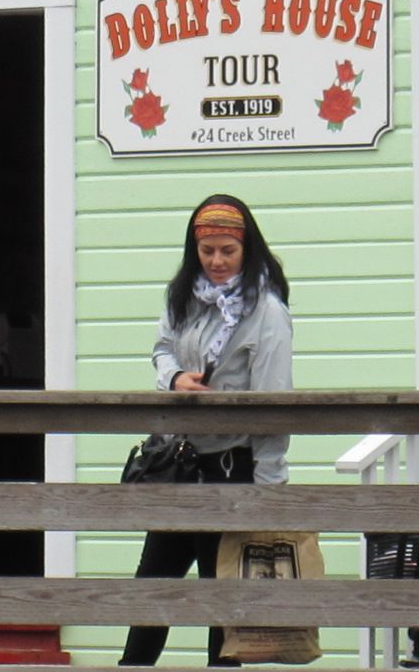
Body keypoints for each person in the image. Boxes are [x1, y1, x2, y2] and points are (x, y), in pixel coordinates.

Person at [120, 195, 293, 667]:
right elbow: (161, 348)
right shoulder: (183, 296)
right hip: (179, 465)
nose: (216, 262)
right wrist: (175, 377)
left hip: (231, 470)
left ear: (247, 250)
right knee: (152, 590)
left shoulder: (267, 311)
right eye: (207, 251)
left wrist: (269, 493)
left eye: (227, 251)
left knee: (223, 603)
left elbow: (274, 407)